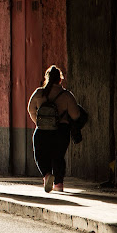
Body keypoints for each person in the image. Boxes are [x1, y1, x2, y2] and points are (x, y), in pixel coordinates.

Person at [27, 65, 80, 193]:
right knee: (58, 156)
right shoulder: (66, 95)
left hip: (42, 130)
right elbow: (76, 115)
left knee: (40, 154)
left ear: (46, 78)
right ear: (60, 80)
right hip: (61, 130)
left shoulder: (39, 92)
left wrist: (39, 122)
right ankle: (59, 184)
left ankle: (46, 174)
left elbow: (30, 109)